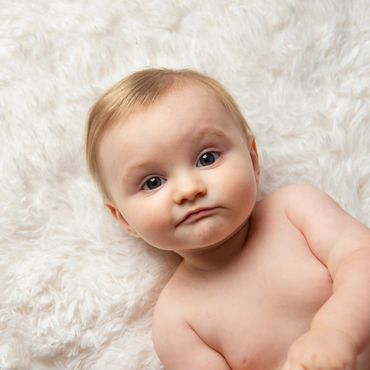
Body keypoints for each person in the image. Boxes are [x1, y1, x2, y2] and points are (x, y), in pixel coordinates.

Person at [85, 68, 370, 370]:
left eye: (206, 158)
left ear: (253, 160)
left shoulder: (296, 210)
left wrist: (336, 333)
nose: (188, 190)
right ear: (124, 219)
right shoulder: (178, 321)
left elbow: (362, 259)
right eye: (153, 182)